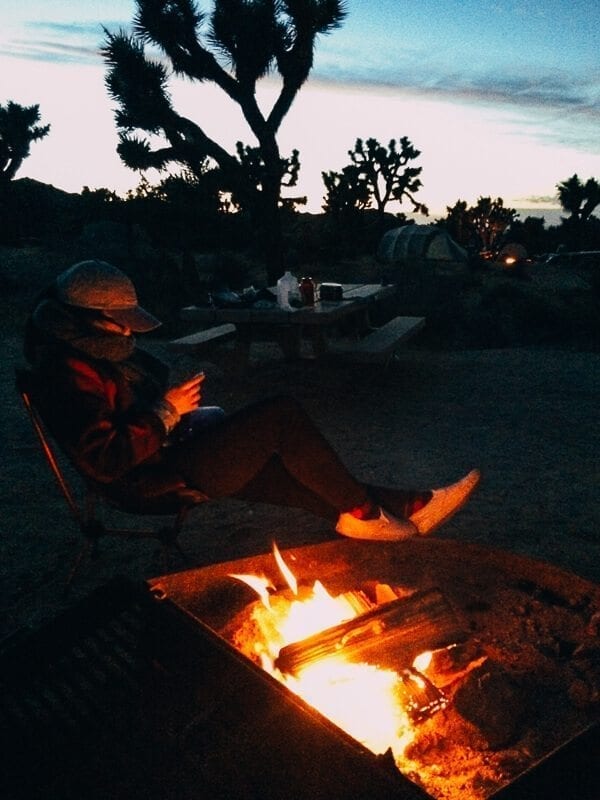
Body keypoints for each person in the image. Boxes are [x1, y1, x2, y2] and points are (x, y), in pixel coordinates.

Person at [23, 260, 480, 541]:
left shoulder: (94, 352)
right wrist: (167, 412)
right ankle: (369, 512)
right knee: (280, 417)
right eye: (118, 322)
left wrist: (180, 409)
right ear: (86, 319)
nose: (127, 331)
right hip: (145, 480)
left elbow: (129, 405)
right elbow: (105, 458)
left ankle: (409, 505)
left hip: (170, 452)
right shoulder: (68, 370)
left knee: (291, 470)